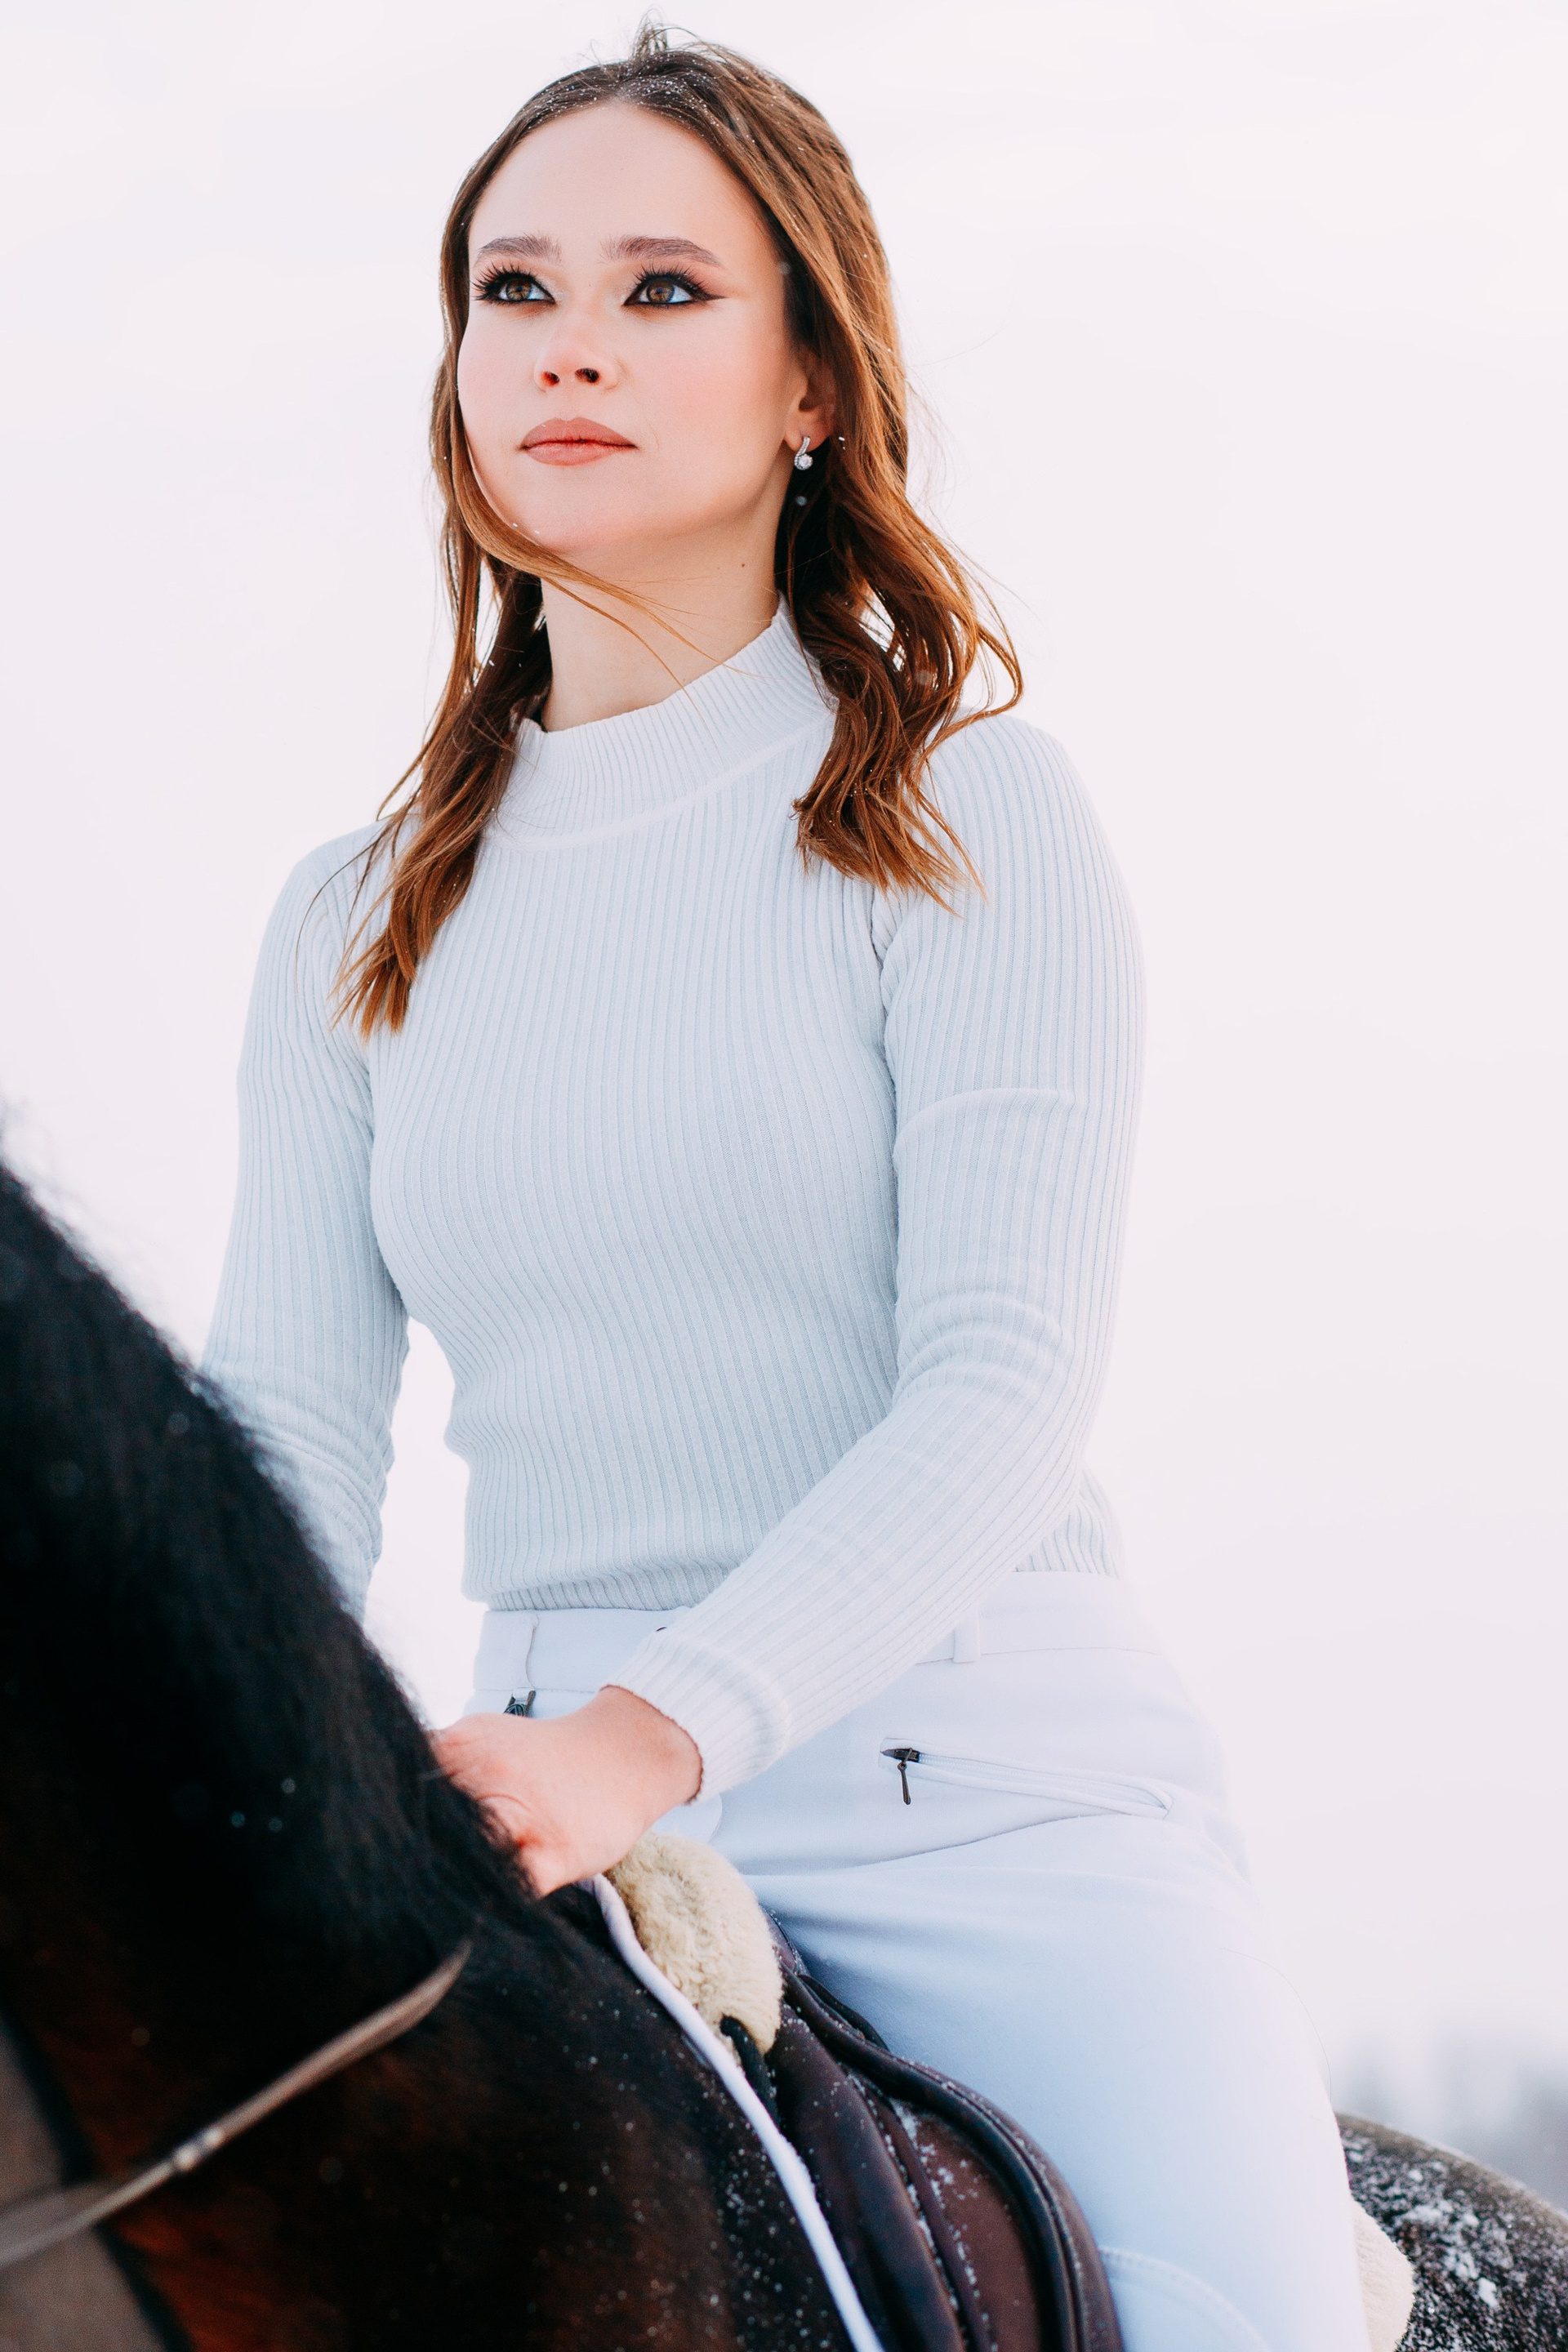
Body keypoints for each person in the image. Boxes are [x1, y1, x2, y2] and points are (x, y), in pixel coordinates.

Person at [204, 29, 1371, 2350]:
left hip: (987, 1816)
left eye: (661, 290)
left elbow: (1002, 1388)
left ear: (813, 381)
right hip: (538, 1826)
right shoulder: (352, 915)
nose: (568, 346)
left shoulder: (965, 817)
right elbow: (290, 1443)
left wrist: (641, 1737)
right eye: (515, 289)